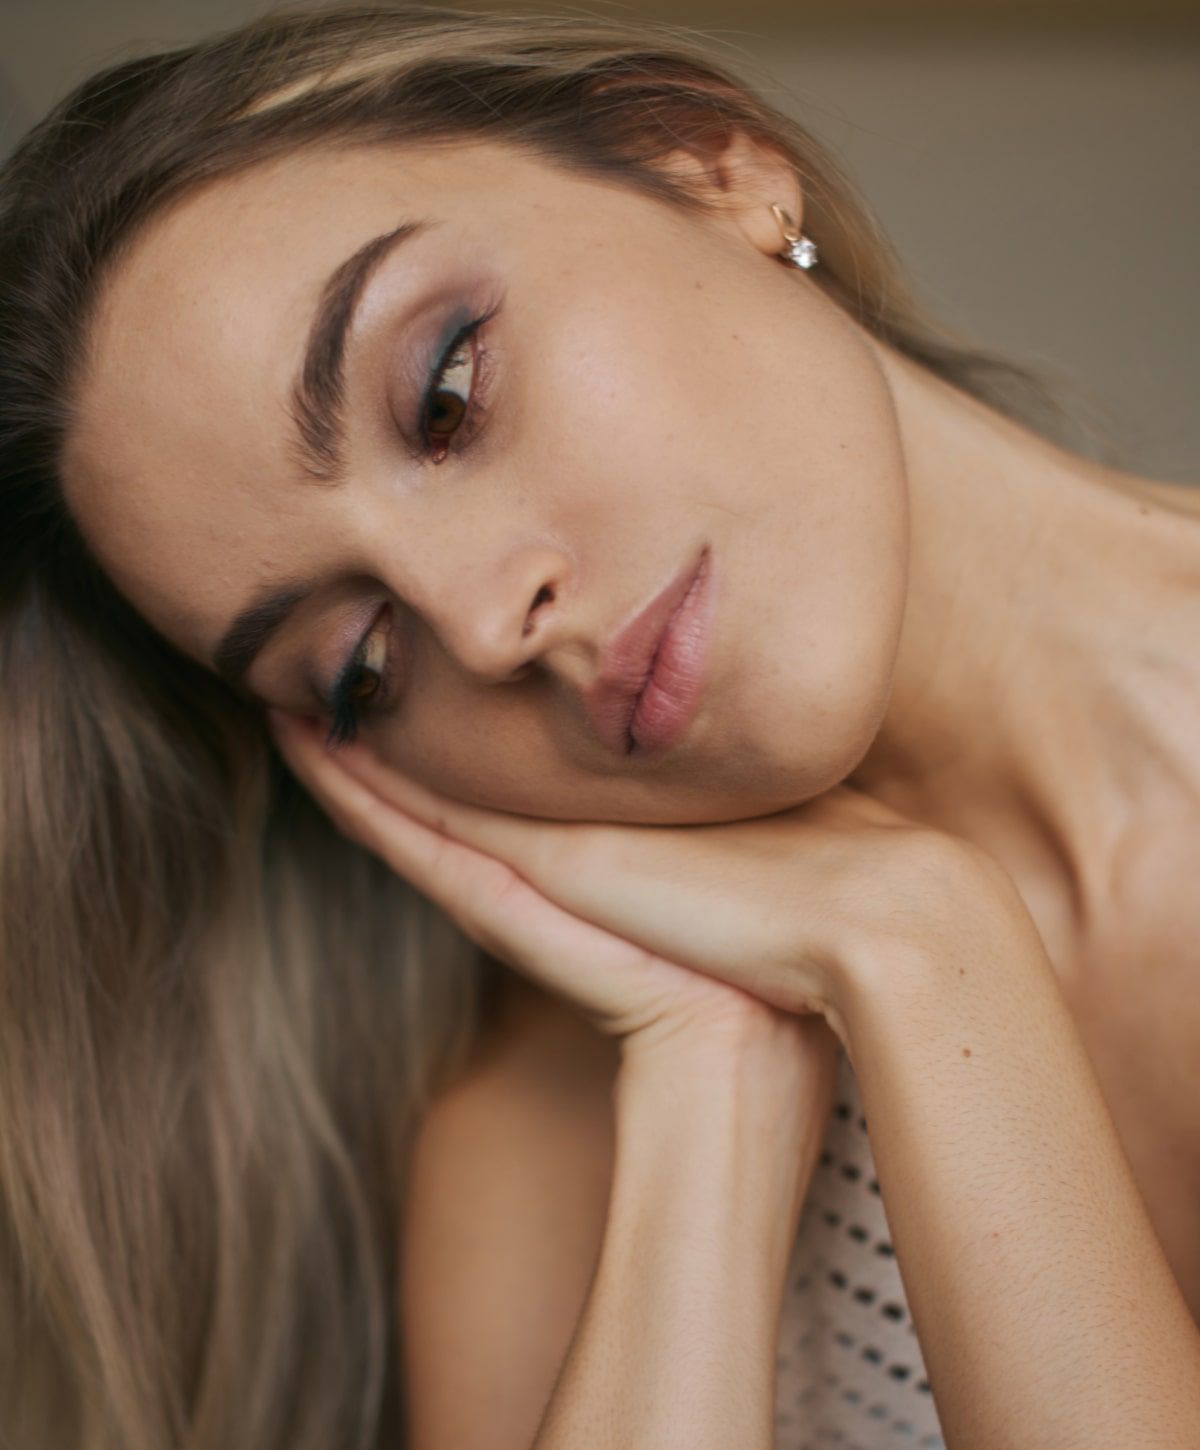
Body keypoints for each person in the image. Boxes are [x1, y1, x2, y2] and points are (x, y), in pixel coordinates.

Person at [1, 4, 1198, 1447]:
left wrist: (925, 945)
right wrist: (781, 1023)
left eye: (446, 395)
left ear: (707, 163)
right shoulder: (543, 1164)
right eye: (361, 662)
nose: (480, 619)